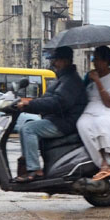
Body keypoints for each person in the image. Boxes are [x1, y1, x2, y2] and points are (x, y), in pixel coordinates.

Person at [15, 46, 87, 182]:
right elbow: (47, 98)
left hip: (64, 122)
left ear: (65, 61)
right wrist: (29, 103)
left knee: (28, 129)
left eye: (56, 60)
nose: (53, 63)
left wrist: (31, 105)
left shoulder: (70, 81)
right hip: (58, 119)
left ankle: (35, 169)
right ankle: (28, 165)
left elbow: (58, 102)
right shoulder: (62, 78)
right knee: (25, 127)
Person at [76, 45, 110, 179]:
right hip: (90, 109)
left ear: (106, 61)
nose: (95, 63)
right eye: (94, 60)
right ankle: (103, 164)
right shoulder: (89, 76)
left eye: (98, 60)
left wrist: (98, 82)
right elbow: (81, 93)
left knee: (103, 123)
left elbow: (109, 102)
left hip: (108, 109)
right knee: (83, 125)